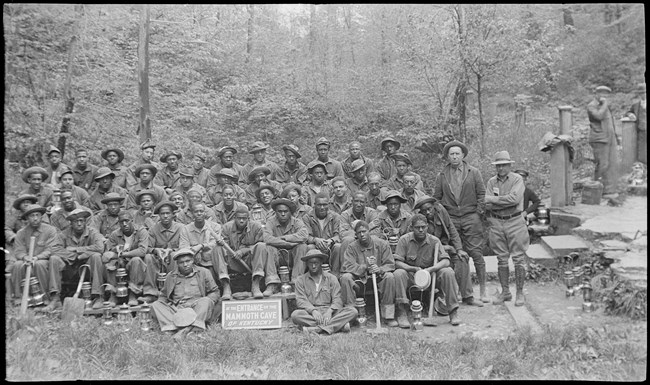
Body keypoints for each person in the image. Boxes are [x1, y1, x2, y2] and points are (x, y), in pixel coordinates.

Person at [432, 140, 489, 305]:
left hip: (471, 217)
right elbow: (436, 198)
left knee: (477, 254)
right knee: (457, 255)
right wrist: (443, 218)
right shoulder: (442, 175)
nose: (455, 156)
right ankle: (457, 291)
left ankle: (483, 291)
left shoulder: (474, 172)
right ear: (447, 157)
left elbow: (482, 194)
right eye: (451, 154)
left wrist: (478, 213)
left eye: (457, 153)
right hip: (452, 219)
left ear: (463, 155)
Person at [393, 214, 461, 327]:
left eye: (423, 227)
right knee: (398, 273)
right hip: (412, 276)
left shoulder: (434, 241)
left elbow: (446, 261)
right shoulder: (404, 240)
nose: (420, 230)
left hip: (431, 276)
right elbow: (397, 262)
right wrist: (411, 269)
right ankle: (402, 312)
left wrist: (432, 269)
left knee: (448, 272)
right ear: (411, 228)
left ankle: (453, 311)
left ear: (427, 226)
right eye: (417, 227)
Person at [484, 151, 530, 306]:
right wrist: (500, 201)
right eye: (498, 165)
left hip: (515, 221)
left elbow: (515, 199)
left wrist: (494, 200)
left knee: (518, 258)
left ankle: (520, 293)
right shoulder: (491, 182)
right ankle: (505, 292)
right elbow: (487, 203)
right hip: (497, 222)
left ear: (510, 165)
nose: (501, 168)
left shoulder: (517, 179)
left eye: (504, 165)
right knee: (501, 259)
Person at [413, 196, 474, 309]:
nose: (427, 212)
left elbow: (451, 229)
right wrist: (445, 247)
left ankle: (467, 295)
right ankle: (441, 296)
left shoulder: (441, 211)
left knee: (462, 258)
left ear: (434, 206)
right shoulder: (420, 221)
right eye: (424, 210)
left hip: (444, 248)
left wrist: (459, 249)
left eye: (429, 209)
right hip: (430, 252)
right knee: (444, 270)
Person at [152, 248, 220, 340]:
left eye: (188, 261)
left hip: (196, 308)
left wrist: (207, 302)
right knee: (156, 305)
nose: (185, 265)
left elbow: (214, 292)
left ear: (193, 260)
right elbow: (163, 295)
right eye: (181, 262)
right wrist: (163, 306)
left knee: (206, 301)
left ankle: (185, 330)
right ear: (177, 264)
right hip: (177, 309)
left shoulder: (203, 272)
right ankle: (173, 327)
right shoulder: (171, 276)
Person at [46, 208, 106, 311]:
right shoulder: (64, 234)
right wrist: (73, 256)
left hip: (87, 270)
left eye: (81, 221)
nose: (79, 224)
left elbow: (100, 248)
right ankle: (55, 298)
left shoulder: (93, 232)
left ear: (85, 222)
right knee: (54, 258)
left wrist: (78, 250)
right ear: (71, 223)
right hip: (69, 270)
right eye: (75, 221)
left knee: (96, 256)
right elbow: (54, 249)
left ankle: (98, 296)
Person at [340, 220, 397, 327]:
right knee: (345, 277)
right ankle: (351, 315)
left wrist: (379, 269)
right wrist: (365, 266)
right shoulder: (351, 247)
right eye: (359, 233)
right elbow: (348, 266)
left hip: (378, 279)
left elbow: (390, 264)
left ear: (369, 231)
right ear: (356, 235)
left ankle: (388, 316)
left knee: (389, 276)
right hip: (360, 281)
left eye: (364, 231)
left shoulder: (382, 244)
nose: (362, 234)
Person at [291, 249, 357, 335]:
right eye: (311, 263)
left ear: (321, 263)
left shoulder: (331, 278)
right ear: (307, 264)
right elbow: (301, 300)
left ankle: (316, 329)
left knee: (353, 311)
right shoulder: (300, 280)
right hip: (311, 313)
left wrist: (329, 311)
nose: (313, 266)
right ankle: (338, 326)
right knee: (295, 315)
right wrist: (313, 311)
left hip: (330, 312)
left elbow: (338, 298)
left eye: (316, 263)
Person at [10, 204, 63, 307]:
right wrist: (25, 257)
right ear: (27, 218)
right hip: (27, 259)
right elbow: (18, 250)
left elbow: (51, 249)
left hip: (44, 259)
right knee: (17, 265)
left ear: (41, 216)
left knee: (39, 265)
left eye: (37, 215)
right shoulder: (21, 233)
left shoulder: (50, 230)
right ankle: (19, 297)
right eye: (32, 216)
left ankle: (45, 297)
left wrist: (37, 257)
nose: (35, 218)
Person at [220, 206, 279, 298]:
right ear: (234, 218)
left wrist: (243, 251)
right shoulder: (226, 227)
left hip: (251, 261)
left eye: (244, 219)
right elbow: (225, 248)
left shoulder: (256, 227)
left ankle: (255, 284)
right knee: (217, 248)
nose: (241, 221)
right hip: (233, 260)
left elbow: (260, 244)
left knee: (261, 246)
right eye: (239, 218)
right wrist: (223, 246)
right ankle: (226, 286)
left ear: (248, 218)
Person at [102, 210, 158, 306]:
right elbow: (107, 254)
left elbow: (142, 251)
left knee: (136, 260)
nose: (124, 224)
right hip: (121, 265)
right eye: (121, 222)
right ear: (118, 223)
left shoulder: (141, 231)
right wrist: (116, 254)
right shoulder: (115, 234)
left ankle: (133, 294)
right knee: (112, 262)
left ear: (132, 220)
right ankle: (113, 294)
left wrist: (122, 254)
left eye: (127, 221)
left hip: (139, 266)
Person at [178, 202, 228, 298]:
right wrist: (196, 250)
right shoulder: (186, 229)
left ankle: (226, 284)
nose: (199, 213)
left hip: (212, 261)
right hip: (195, 261)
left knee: (218, 249)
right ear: (192, 214)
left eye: (201, 211)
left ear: (205, 213)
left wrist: (200, 246)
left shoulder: (215, 227)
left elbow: (215, 244)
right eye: (196, 211)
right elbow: (183, 247)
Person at [263, 198, 309, 283]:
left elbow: (304, 235)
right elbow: (266, 237)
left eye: (286, 211)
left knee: (303, 246)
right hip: (278, 256)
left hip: (293, 256)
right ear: (275, 212)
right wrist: (285, 244)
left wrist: (284, 238)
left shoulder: (297, 222)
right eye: (279, 211)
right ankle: (272, 281)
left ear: (290, 212)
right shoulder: (271, 222)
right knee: (268, 247)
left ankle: (297, 281)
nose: (283, 214)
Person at [587, 85, 621, 197]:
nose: (604, 97)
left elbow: (610, 122)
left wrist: (616, 137)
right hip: (599, 139)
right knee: (602, 164)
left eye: (606, 95)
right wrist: (605, 104)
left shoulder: (604, 106)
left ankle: (608, 189)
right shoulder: (592, 106)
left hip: (609, 138)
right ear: (595, 94)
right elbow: (599, 116)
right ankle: (597, 189)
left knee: (611, 163)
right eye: (601, 94)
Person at [302, 193, 343, 278]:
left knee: (338, 247)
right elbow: (305, 236)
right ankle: (312, 276)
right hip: (316, 248)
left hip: (330, 247)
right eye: (319, 205)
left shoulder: (335, 216)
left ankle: (335, 276)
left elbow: (339, 235)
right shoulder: (307, 217)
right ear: (314, 205)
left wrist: (331, 241)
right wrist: (315, 240)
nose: (322, 208)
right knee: (309, 247)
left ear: (328, 204)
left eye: (324, 205)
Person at [147, 200, 183, 275]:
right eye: (162, 214)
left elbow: (184, 246)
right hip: (158, 260)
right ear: (159, 215)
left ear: (173, 214)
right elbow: (148, 247)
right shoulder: (153, 229)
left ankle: (174, 282)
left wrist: (171, 250)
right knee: (148, 257)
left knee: (174, 255)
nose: (165, 216)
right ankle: (150, 286)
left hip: (175, 261)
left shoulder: (181, 228)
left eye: (168, 213)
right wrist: (156, 250)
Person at [625, 82, 646, 164]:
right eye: (640, 93)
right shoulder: (636, 105)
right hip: (641, 132)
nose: (642, 95)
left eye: (644, 92)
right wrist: (630, 114)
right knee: (642, 155)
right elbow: (628, 112)